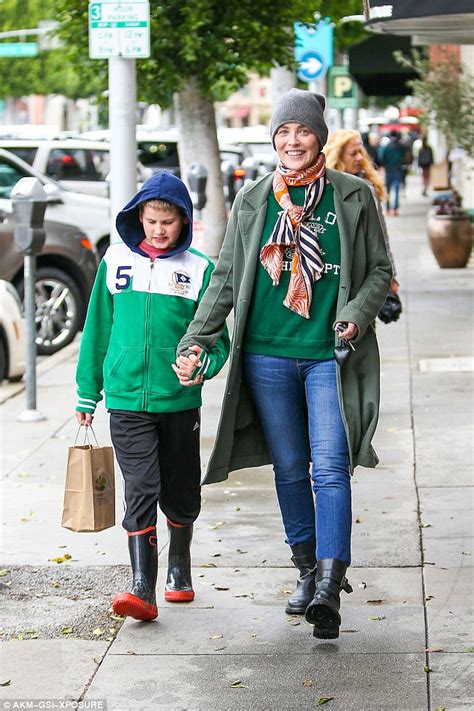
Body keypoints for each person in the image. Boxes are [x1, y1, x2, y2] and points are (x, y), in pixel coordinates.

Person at [174, 89, 392, 640]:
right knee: (290, 469)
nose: (292, 141)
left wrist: (355, 315)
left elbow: (379, 270)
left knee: (331, 467)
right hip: (267, 355)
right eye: (283, 133)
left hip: (328, 358)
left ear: (319, 136)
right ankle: (304, 570)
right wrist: (195, 339)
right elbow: (225, 277)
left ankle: (328, 583)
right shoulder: (253, 200)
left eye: (303, 131)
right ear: (274, 140)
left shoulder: (353, 195)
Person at [74, 171, 229, 622]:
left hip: (178, 402)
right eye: (151, 221)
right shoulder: (114, 261)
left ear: (184, 221)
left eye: (168, 223)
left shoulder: (200, 269)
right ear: (139, 217)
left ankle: (179, 566)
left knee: (180, 491)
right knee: (141, 487)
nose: (159, 231)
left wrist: (201, 366)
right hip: (124, 401)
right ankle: (142, 586)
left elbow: (218, 340)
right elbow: (96, 332)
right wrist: (88, 394)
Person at [324, 128, 399, 295]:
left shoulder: (366, 188)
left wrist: (390, 274)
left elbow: (381, 234)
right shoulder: (324, 188)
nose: (359, 158)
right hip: (331, 274)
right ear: (338, 156)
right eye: (353, 153)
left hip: (363, 272)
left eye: (360, 152)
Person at [378, 130, 406, 215]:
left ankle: (387, 209)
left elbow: (382, 158)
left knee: (388, 190)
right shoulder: (401, 147)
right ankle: (395, 209)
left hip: (388, 170)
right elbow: (404, 157)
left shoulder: (386, 147)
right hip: (398, 169)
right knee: (397, 189)